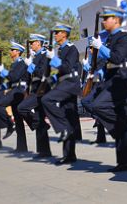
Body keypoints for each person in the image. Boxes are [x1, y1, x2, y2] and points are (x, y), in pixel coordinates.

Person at [84, 6, 127, 172]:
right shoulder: (109, 39)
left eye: (107, 18)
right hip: (111, 79)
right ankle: (124, 162)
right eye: (103, 18)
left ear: (117, 19)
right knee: (87, 102)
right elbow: (103, 62)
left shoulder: (124, 38)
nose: (104, 21)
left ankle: (122, 132)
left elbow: (116, 57)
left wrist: (101, 48)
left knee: (98, 105)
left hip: (122, 79)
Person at [41, 23, 82, 165]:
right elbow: (60, 72)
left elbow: (67, 68)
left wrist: (54, 59)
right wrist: (50, 78)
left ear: (64, 34)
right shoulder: (60, 50)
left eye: (58, 32)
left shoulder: (71, 49)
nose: (56, 35)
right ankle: (69, 155)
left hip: (70, 84)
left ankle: (62, 129)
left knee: (47, 100)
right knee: (67, 117)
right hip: (64, 84)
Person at [16, 33, 53, 158]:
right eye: (30, 43)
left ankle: (42, 125)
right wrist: (24, 85)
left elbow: (43, 72)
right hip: (35, 88)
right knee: (38, 117)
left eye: (33, 42)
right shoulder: (35, 56)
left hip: (43, 88)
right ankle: (44, 151)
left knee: (22, 108)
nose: (31, 45)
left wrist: (31, 65)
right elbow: (28, 74)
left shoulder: (45, 55)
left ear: (39, 43)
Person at [0, 41, 30, 152]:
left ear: (18, 52)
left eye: (12, 50)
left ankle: (10, 123)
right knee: (18, 119)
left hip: (19, 91)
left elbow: (14, 77)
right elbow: (11, 81)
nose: (10, 51)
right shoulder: (14, 63)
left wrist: (3, 71)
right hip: (15, 89)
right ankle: (21, 147)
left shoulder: (21, 63)